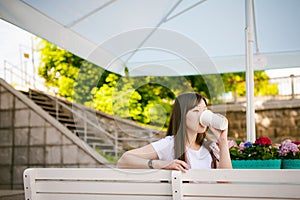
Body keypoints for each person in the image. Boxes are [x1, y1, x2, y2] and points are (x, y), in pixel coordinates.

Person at [117, 92, 232, 171]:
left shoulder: (211, 148)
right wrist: (160, 164)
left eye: (205, 110)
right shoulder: (169, 144)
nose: (202, 115)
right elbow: (124, 160)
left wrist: (222, 140)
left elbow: (226, 183)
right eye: (196, 110)